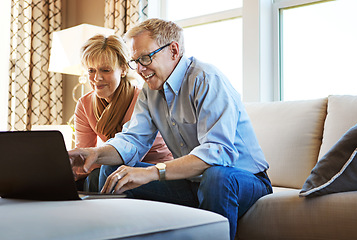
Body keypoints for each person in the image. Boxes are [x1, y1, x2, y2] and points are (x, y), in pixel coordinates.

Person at [68, 19, 272, 240]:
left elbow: (217, 152)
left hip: (243, 179)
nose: (139, 69)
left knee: (216, 176)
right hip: (193, 183)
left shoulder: (206, 79)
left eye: (145, 58)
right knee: (114, 172)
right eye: (136, 61)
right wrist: (95, 153)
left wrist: (150, 173)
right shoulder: (150, 92)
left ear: (173, 50)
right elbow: (132, 140)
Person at [72, 34, 173, 192]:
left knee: (109, 170)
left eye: (105, 70)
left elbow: (135, 151)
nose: (97, 78)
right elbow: (85, 157)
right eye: (91, 70)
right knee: (93, 176)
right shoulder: (85, 105)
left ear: (124, 69)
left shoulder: (143, 99)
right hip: (114, 166)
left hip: (152, 169)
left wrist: (96, 158)